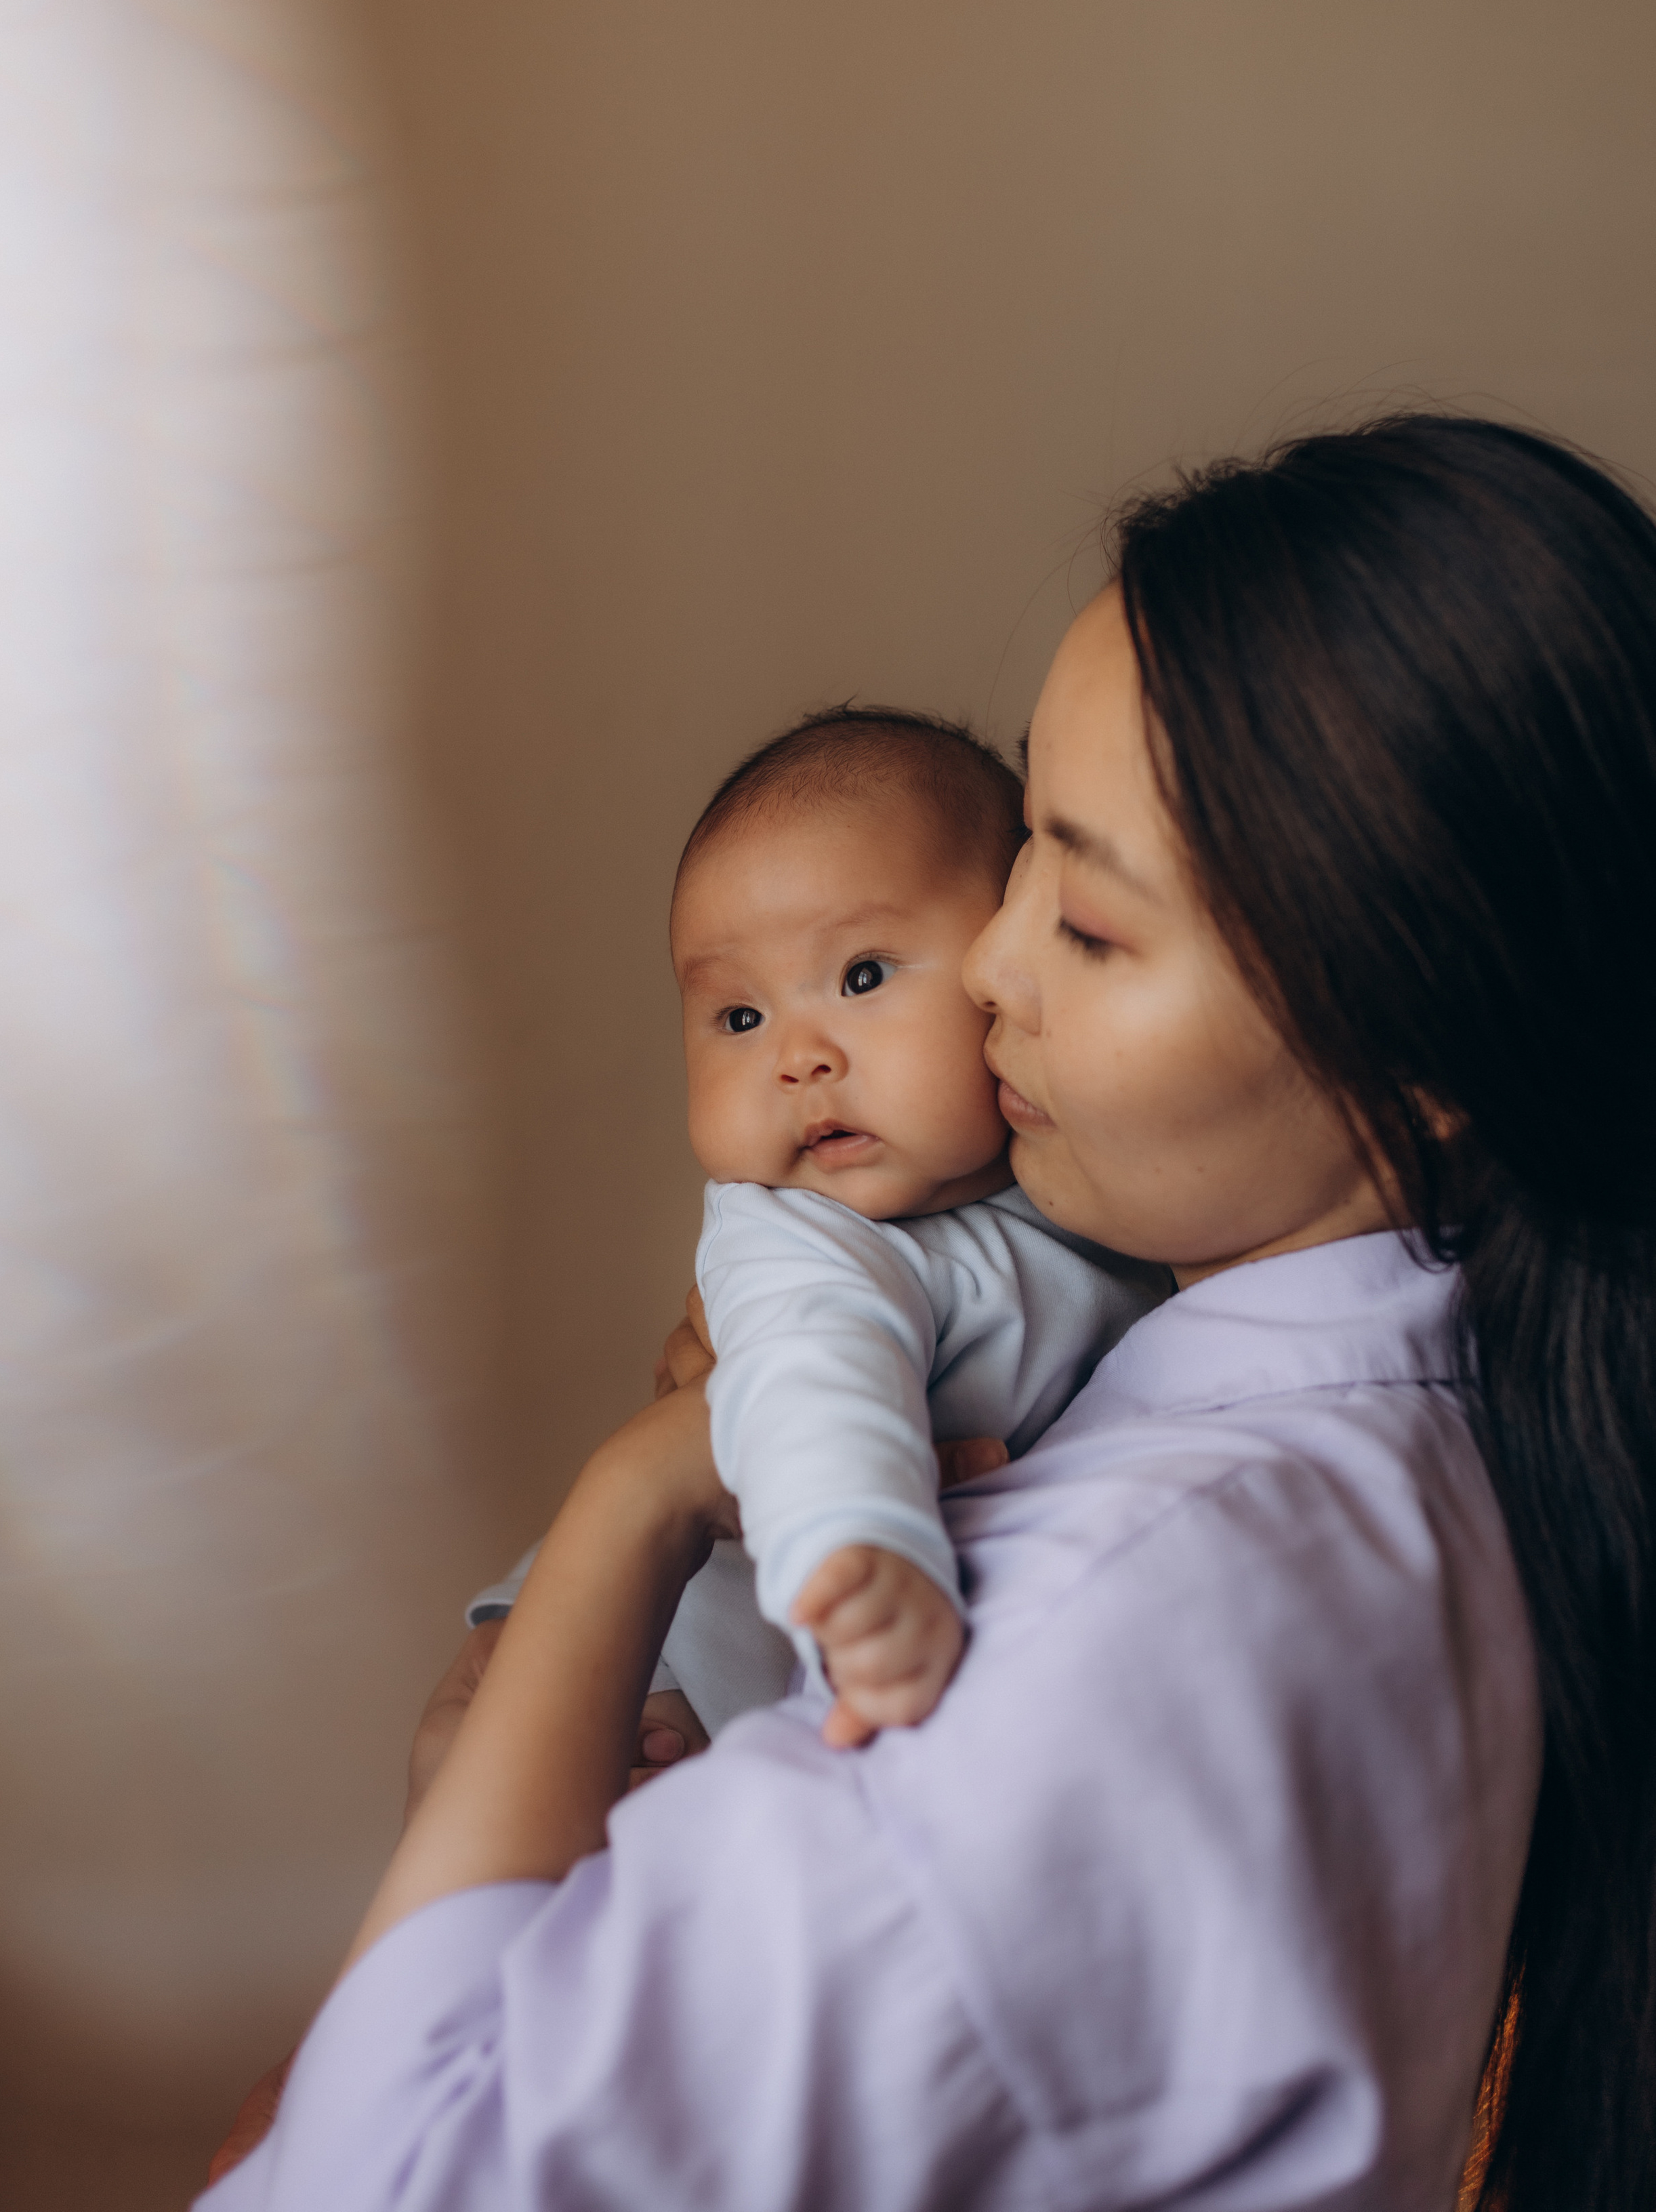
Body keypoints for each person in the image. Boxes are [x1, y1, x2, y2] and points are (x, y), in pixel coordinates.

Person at [201, 415, 1656, 2212]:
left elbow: (384, 2169)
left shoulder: (1109, 1629)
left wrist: (639, 1496)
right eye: (1023, 838)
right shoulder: (1436, 1439)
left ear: (1428, 1050)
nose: (985, 963)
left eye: (1096, 928)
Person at [467, 705, 1161, 1744]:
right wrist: (863, 1548)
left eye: (863, 975)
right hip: (668, 1668)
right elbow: (815, 1380)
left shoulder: (1084, 1187)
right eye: (740, 1018)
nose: (798, 1057)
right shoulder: (797, 1233)